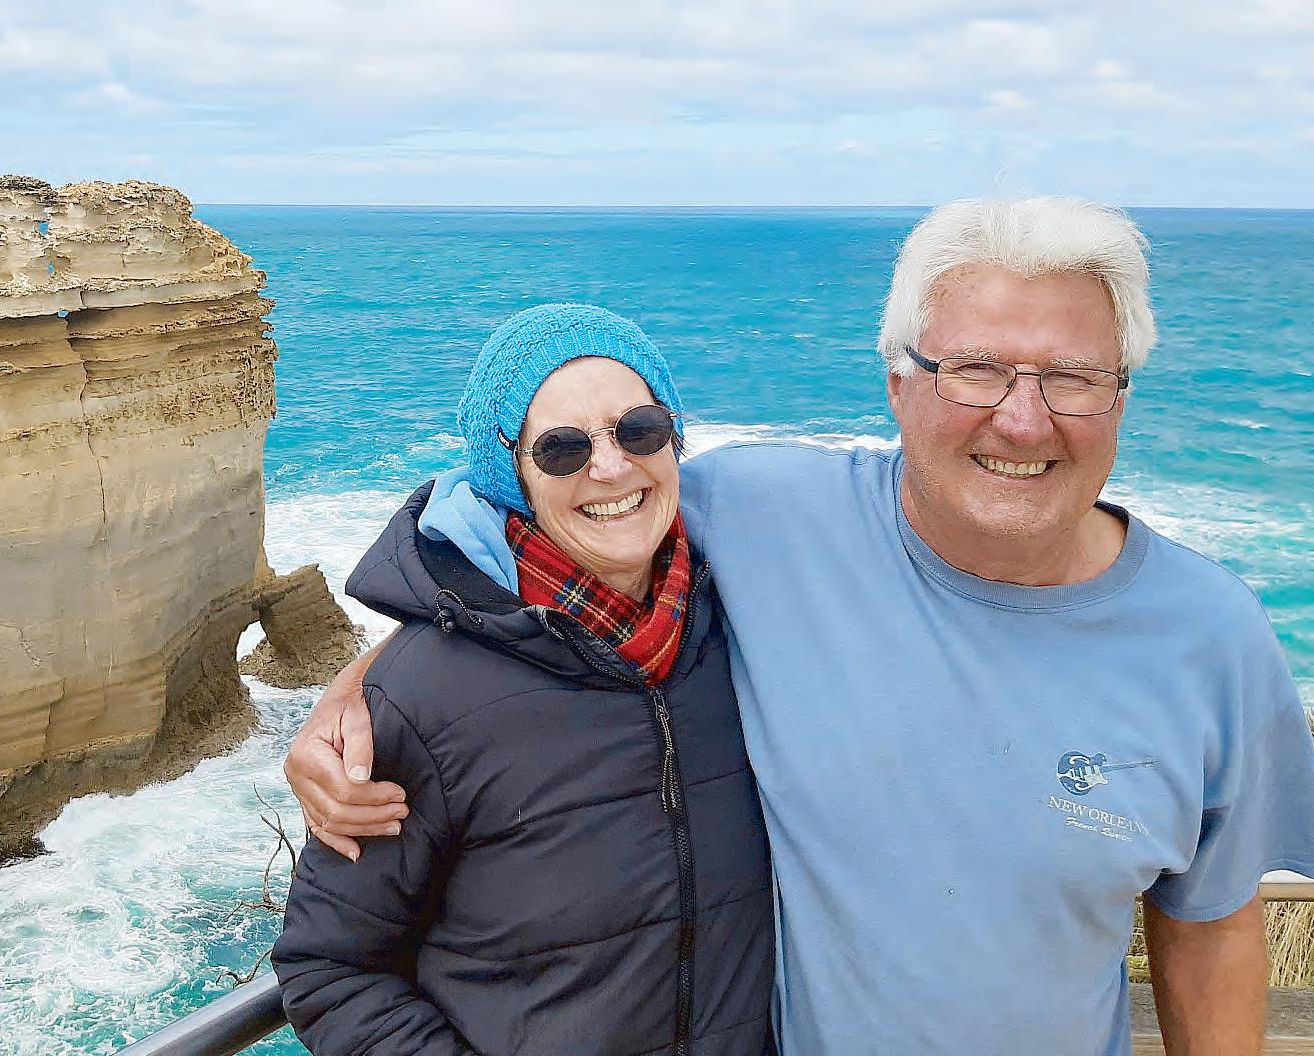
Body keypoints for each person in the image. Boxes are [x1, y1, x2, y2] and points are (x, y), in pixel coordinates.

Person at [285, 198, 1314, 1054]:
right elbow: (526, 526)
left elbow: (1209, 924)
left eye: (1071, 377)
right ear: (898, 384)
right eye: (976, 369)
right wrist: (368, 685)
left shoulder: (1212, 639)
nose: (1021, 417)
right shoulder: (770, 515)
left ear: (1120, 396)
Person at [271, 305, 775, 1055]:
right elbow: (330, 969)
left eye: (638, 430)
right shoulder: (420, 698)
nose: (611, 468)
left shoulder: (752, 616)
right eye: (562, 448)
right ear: (510, 474)